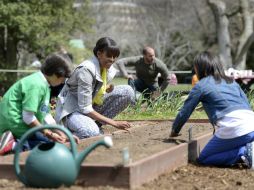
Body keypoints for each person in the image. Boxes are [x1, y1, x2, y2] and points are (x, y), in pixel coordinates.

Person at [170, 51, 254, 169]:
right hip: (251, 124)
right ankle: (249, 148)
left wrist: (174, 130)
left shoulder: (201, 85)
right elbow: (247, 104)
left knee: (204, 159)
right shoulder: (231, 81)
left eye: (196, 69)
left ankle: (244, 153)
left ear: (201, 69)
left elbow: (185, 111)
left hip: (234, 127)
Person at [55, 37, 135, 139]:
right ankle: (64, 135)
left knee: (127, 91)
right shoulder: (86, 70)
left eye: (115, 57)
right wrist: (114, 123)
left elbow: (94, 89)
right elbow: (85, 108)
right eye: (109, 56)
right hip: (72, 110)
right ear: (99, 54)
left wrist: (106, 88)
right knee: (90, 131)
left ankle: (96, 125)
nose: (112, 60)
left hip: (90, 105)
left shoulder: (106, 68)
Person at [0, 53, 78, 155]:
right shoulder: (36, 84)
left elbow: (46, 116)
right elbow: (28, 117)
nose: (63, 82)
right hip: (15, 124)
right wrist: (49, 133)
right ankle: (14, 145)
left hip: (23, 125)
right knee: (46, 146)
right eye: (63, 78)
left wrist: (64, 134)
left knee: (51, 143)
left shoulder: (44, 85)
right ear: (55, 74)